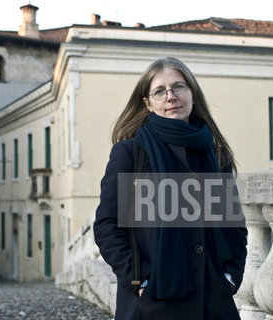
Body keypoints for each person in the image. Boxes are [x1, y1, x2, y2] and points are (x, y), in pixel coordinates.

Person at [93, 57, 248, 320]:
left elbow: (234, 227)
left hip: (213, 302)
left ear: (192, 94)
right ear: (148, 103)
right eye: (159, 91)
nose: (170, 96)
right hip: (156, 302)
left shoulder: (214, 154)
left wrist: (230, 277)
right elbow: (107, 226)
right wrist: (140, 280)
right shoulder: (130, 154)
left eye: (179, 87)